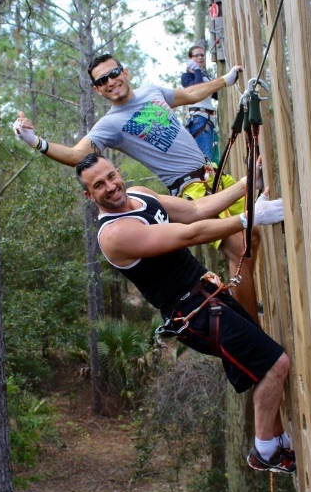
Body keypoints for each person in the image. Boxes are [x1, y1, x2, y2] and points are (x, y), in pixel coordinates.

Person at [74, 153, 296, 474]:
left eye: (111, 176)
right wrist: (248, 218)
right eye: (99, 185)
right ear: (89, 195)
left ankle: (277, 443)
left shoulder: (141, 195)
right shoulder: (114, 235)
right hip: (195, 315)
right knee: (276, 363)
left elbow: (194, 211)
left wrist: (249, 183)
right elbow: (187, 234)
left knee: (262, 364)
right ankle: (265, 450)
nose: (111, 186)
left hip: (208, 295)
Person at [12, 53, 268, 323]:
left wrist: (224, 81)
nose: (111, 81)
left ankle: (246, 305)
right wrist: (36, 142)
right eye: (102, 80)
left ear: (125, 72)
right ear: (97, 89)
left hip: (213, 175)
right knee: (241, 247)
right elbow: (77, 155)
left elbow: (189, 95)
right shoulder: (110, 124)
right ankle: (252, 330)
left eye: (114, 73)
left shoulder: (151, 91)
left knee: (253, 238)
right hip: (191, 189)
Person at [181, 45, 219, 164]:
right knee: (205, 157)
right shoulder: (187, 77)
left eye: (202, 55)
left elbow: (216, 95)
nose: (200, 57)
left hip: (208, 118)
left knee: (210, 157)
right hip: (199, 118)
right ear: (190, 58)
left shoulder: (204, 75)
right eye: (196, 55)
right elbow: (197, 90)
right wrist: (197, 70)